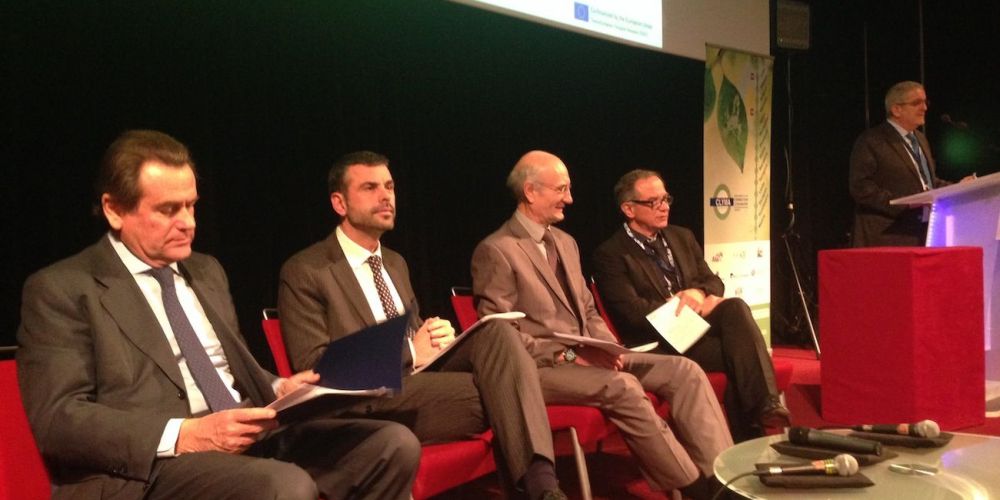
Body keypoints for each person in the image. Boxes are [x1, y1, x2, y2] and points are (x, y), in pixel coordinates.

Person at [15, 130, 419, 500]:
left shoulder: (206, 271)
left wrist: (279, 387)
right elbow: (59, 419)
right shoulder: (63, 288)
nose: (188, 223)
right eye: (168, 209)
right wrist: (185, 434)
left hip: (244, 436)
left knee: (390, 445)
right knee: (283, 486)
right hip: (152, 466)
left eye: (191, 205)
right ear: (115, 209)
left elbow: (226, 368)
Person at [278, 151, 565, 500]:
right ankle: (540, 489)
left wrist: (437, 338)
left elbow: (415, 337)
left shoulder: (395, 263)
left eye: (389, 186)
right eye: (370, 188)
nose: (385, 196)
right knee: (507, 391)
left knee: (497, 332)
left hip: (416, 382)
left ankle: (541, 487)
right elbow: (314, 368)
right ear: (339, 203)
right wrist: (411, 351)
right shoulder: (306, 270)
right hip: (363, 399)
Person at [471, 151, 734, 500]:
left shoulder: (565, 242)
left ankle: (723, 478)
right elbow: (499, 336)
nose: (569, 198)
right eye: (561, 189)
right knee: (622, 386)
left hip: (591, 356)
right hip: (543, 369)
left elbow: (588, 309)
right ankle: (695, 488)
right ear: (531, 191)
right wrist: (569, 355)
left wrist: (609, 348)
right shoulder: (497, 250)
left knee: (685, 371)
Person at [592, 169, 790, 442]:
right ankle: (756, 429)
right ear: (629, 209)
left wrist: (698, 293)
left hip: (696, 328)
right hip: (659, 341)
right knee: (739, 357)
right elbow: (631, 314)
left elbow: (713, 281)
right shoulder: (611, 254)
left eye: (666, 199)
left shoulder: (681, 236)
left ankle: (764, 411)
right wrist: (679, 308)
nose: (664, 207)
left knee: (734, 307)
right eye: (653, 202)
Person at [849, 80, 953, 247]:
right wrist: (904, 204)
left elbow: (927, 183)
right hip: (887, 236)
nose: (924, 108)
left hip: (920, 233)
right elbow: (860, 187)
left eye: (925, 102)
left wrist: (958, 187)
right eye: (916, 103)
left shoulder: (920, 139)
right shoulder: (872, 140)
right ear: (896, 109)